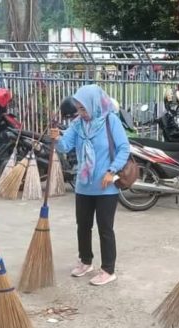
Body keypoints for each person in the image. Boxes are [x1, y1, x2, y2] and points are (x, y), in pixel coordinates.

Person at [52, 85, 129, 286]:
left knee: (105, 228)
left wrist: (112, 170)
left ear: (95, 105)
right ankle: (86, 261)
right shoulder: (78, 125)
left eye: (84, 108)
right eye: (79, 108)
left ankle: (108, 269)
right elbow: (65, 146)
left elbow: (124, 148)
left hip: (106, 187)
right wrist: (56, 139)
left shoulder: (110, 121)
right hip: (84, 185)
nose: (81, 112)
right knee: (83, 226)